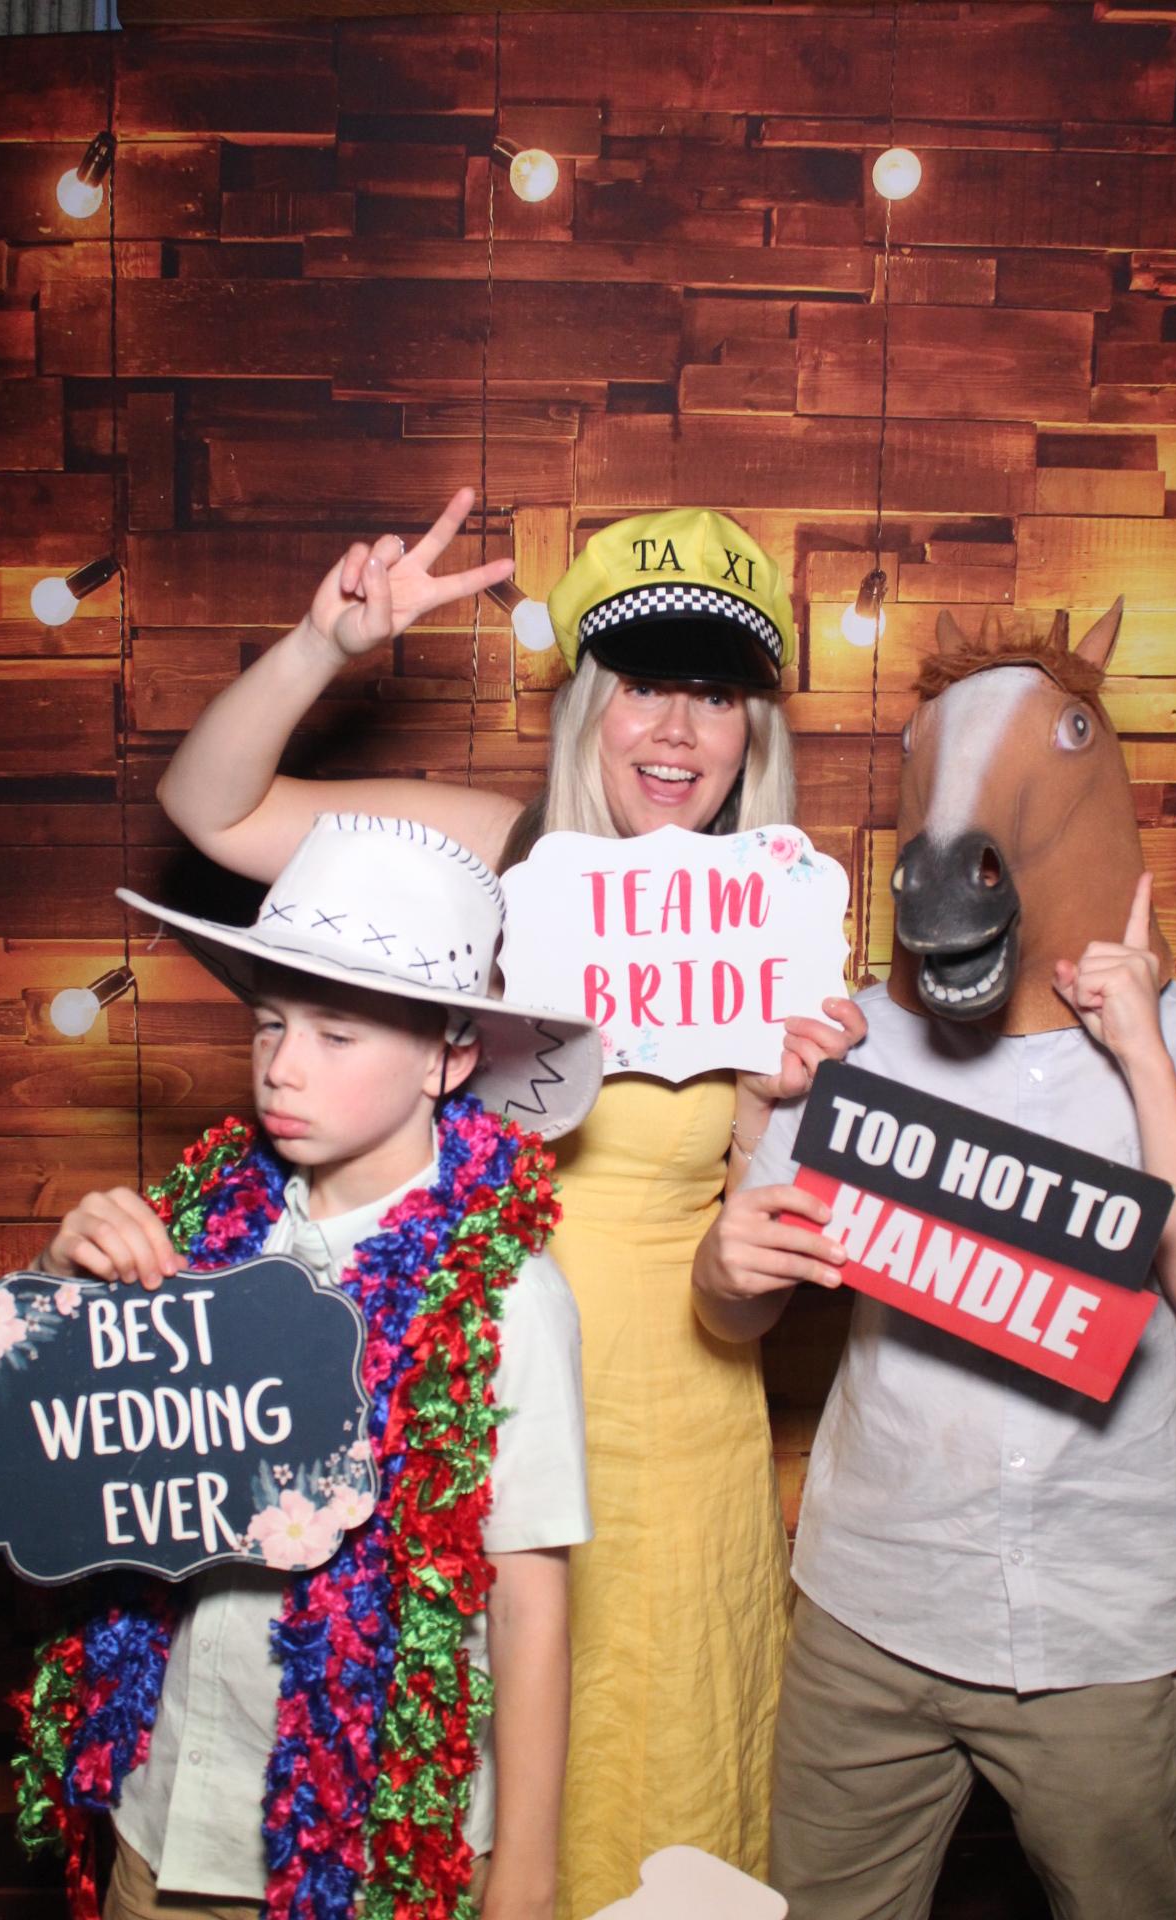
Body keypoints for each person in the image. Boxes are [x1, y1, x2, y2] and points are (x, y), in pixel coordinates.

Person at [155, 493, 866, 1914]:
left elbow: (740, 1301)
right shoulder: (496, 859)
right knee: (423, 1820)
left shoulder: (782, 935)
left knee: (646, 1830)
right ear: (589, 702)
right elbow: (207, 810)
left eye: (717, 697)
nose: (677, 733)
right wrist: (320, 645)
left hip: (673, 1455)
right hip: (445, 1426)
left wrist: (783, 1156)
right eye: (645, 688)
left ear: (755, 734)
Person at [13, 814, 603, 1920]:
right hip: (157, 1809)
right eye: (271, 1022)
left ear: (448, 1054)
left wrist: (524, 1873)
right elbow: (51, 1480)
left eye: (336, 1036)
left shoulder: (502, 1295)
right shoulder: (195, 1231)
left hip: (357, 1862)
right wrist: (61, 1298)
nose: (282, 1066)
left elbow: (528, 1601)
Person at [693, 871, 1176, 1920]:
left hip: (1095, 1634)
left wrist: (1142, 1049)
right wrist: (721, 1257)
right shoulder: (851, 1035)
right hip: (865, 1613)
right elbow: (737, 1311)